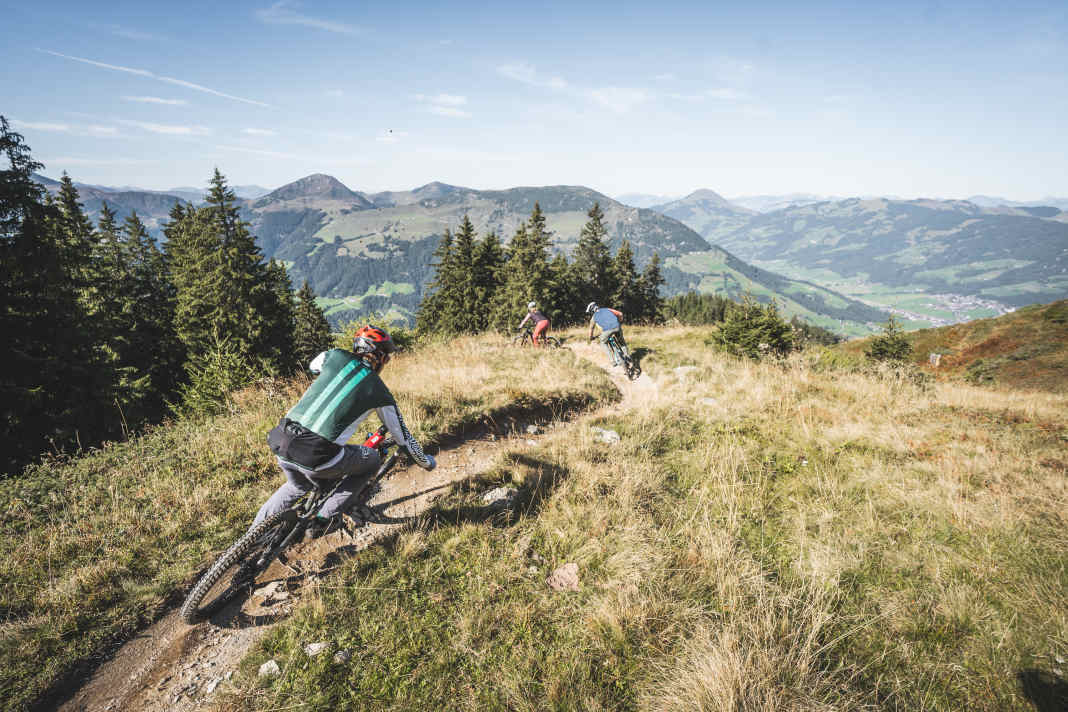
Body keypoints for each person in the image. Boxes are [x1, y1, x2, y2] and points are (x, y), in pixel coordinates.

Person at [252, 325, 436, 538]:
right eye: (386, 358)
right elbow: (403, 438)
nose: (386, 363)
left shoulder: (334, 355)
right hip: (316, 453)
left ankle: (251, 540)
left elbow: (314, 367)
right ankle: (324, 518)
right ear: (379, 355)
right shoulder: (379, 390)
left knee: (296, 486)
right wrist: (427, 463)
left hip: (280, 438)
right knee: (373, 460)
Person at [586, 302, 628, 366]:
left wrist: (591, 338)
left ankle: (612, 361)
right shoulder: (607, 309)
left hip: (607, 331)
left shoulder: (593, 317)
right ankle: (627, 356)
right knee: (621, 342)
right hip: (617, 327)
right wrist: (619, 322)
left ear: (591, 311)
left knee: (603, 342)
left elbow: (591, 329)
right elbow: (620, 313)